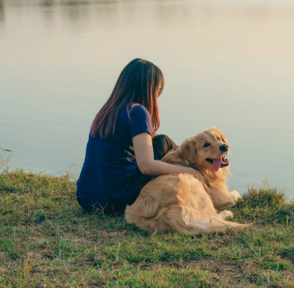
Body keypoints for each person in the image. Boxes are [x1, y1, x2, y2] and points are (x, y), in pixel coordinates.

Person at [76, 58, 204, 215]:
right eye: (157, 93)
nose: (156, 98)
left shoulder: (108, 110)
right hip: (115, 201)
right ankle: (203, 181)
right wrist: (188, 171)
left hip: (86, 198)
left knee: (159, 141)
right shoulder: (137, 112)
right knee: (164, 142)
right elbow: (146, 166)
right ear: (148, 90)